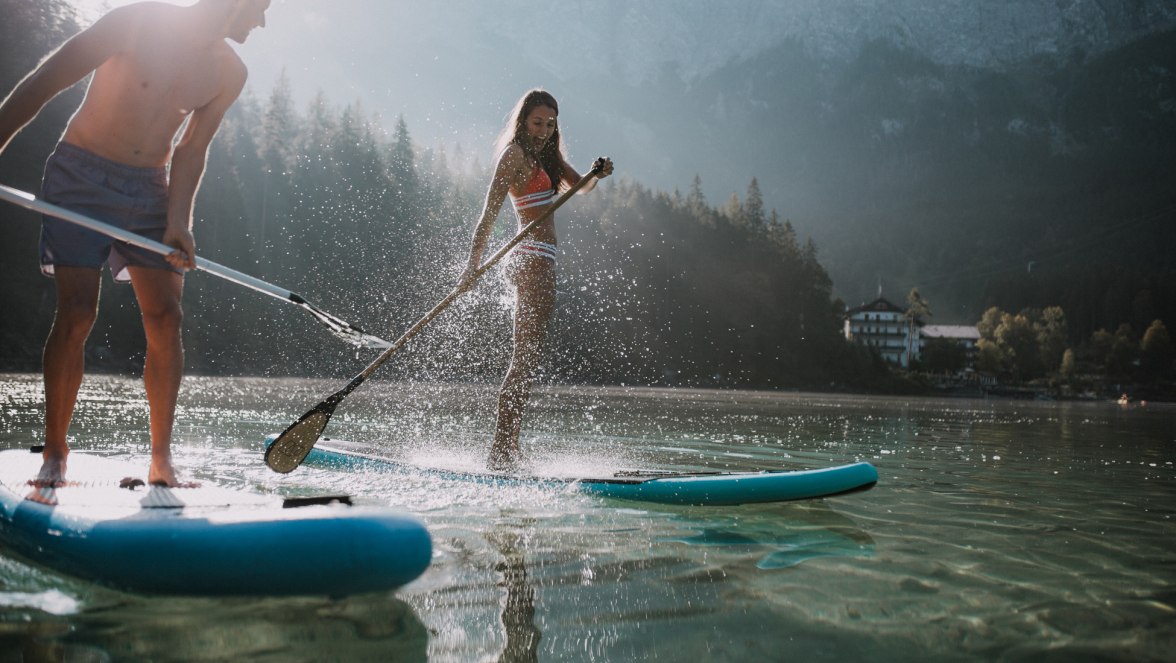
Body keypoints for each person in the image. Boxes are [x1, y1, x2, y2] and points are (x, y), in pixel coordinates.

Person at [0, 0, 270, 489]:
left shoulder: (230, 71)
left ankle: (161, 461)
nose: (262, 21)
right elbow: (49, 80)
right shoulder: (136, 21)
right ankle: (55, 454)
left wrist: (178, 222)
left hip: (149, 191)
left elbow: (192, 149)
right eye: (261, 8)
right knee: (78, 311)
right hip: (80, 174)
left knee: (167, 318)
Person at [460, 89, 613, 469]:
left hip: (539, 261)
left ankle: (507, 449)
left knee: (526, 360)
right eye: (537, 123)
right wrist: (471, 268)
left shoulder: (547, 155)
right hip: (531, 261)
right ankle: (502, 452)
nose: (544, 130)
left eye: (550, 124)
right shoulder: (512, 156)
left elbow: (583, 187)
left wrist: (598, 173)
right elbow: (488, 216)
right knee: (524, 361)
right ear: (523, 120)